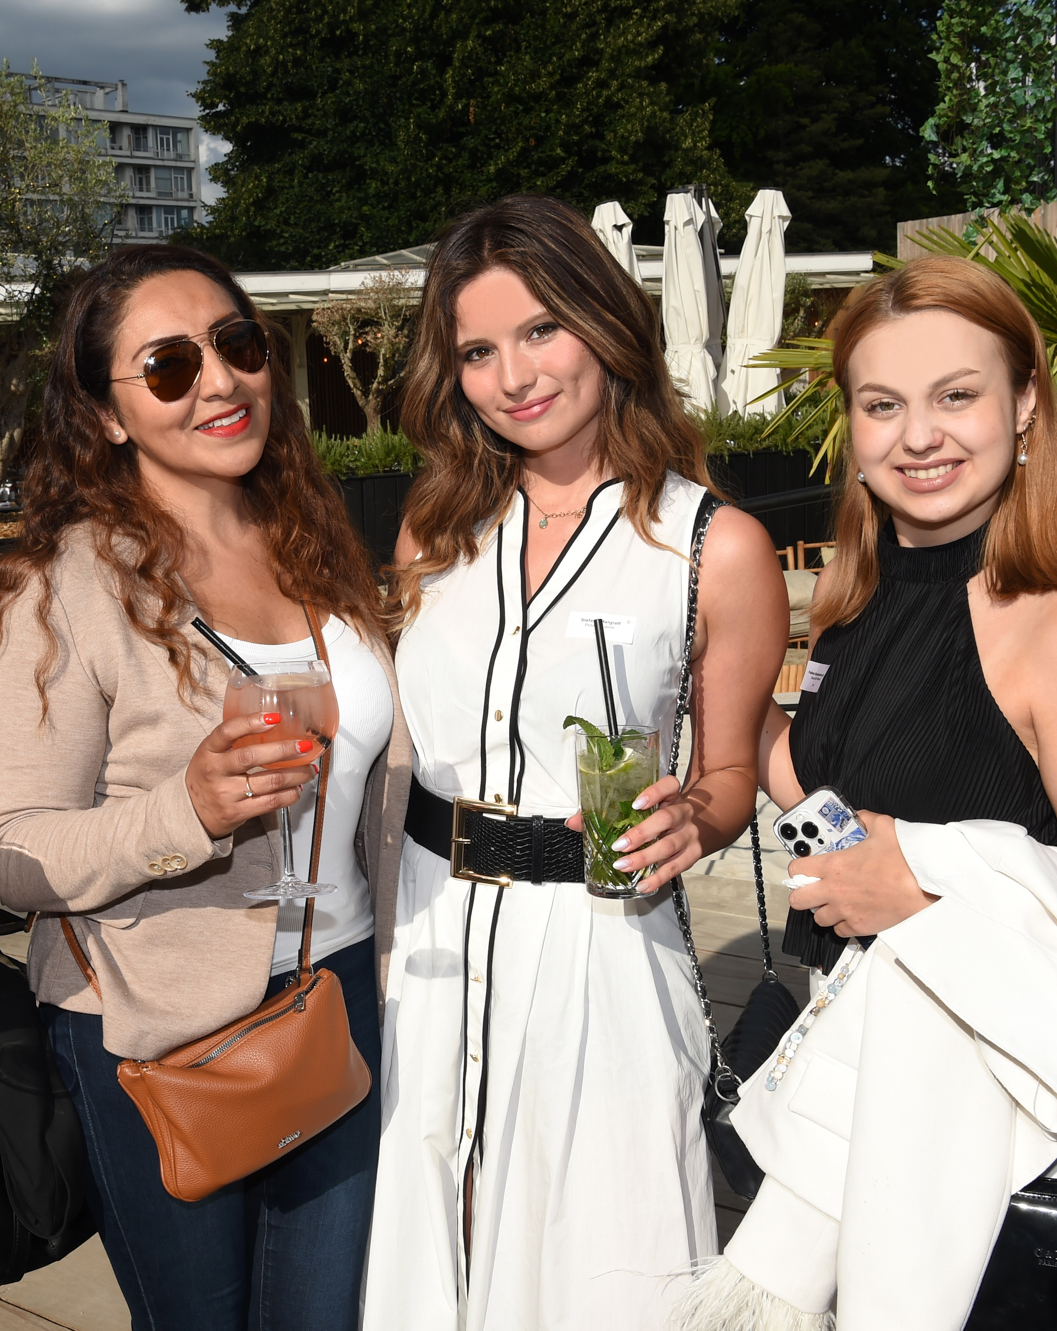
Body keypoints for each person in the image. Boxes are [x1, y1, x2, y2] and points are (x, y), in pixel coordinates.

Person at [702, 255, 1057, 1327]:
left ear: (1024, 404)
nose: (918, 436)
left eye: (955, 395)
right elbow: (830, 799)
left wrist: (921, 879)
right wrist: (710, 673)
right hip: (857, 1091)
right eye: (883, 405)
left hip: (992, 1126)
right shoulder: (858, 601)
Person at [363, 195, 790, 1329]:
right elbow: (400, 751)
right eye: (478, 350)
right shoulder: (434, 530)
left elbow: (730, 774)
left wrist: (693, 816)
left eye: (541, 329)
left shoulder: (712, 546)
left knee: (601, 1265)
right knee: (430, 1251)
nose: (514, 376)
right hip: (431, 944)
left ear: (604, 324)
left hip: (600, 943)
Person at [0, 244, 410, 1331]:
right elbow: (14, 853)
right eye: (169, 365)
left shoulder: (315, 543)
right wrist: (190, 811)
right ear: (106, 415)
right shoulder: (65, 590)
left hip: (340, 984)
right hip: (154, 1024)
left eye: (237, 344)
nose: (219, 380)